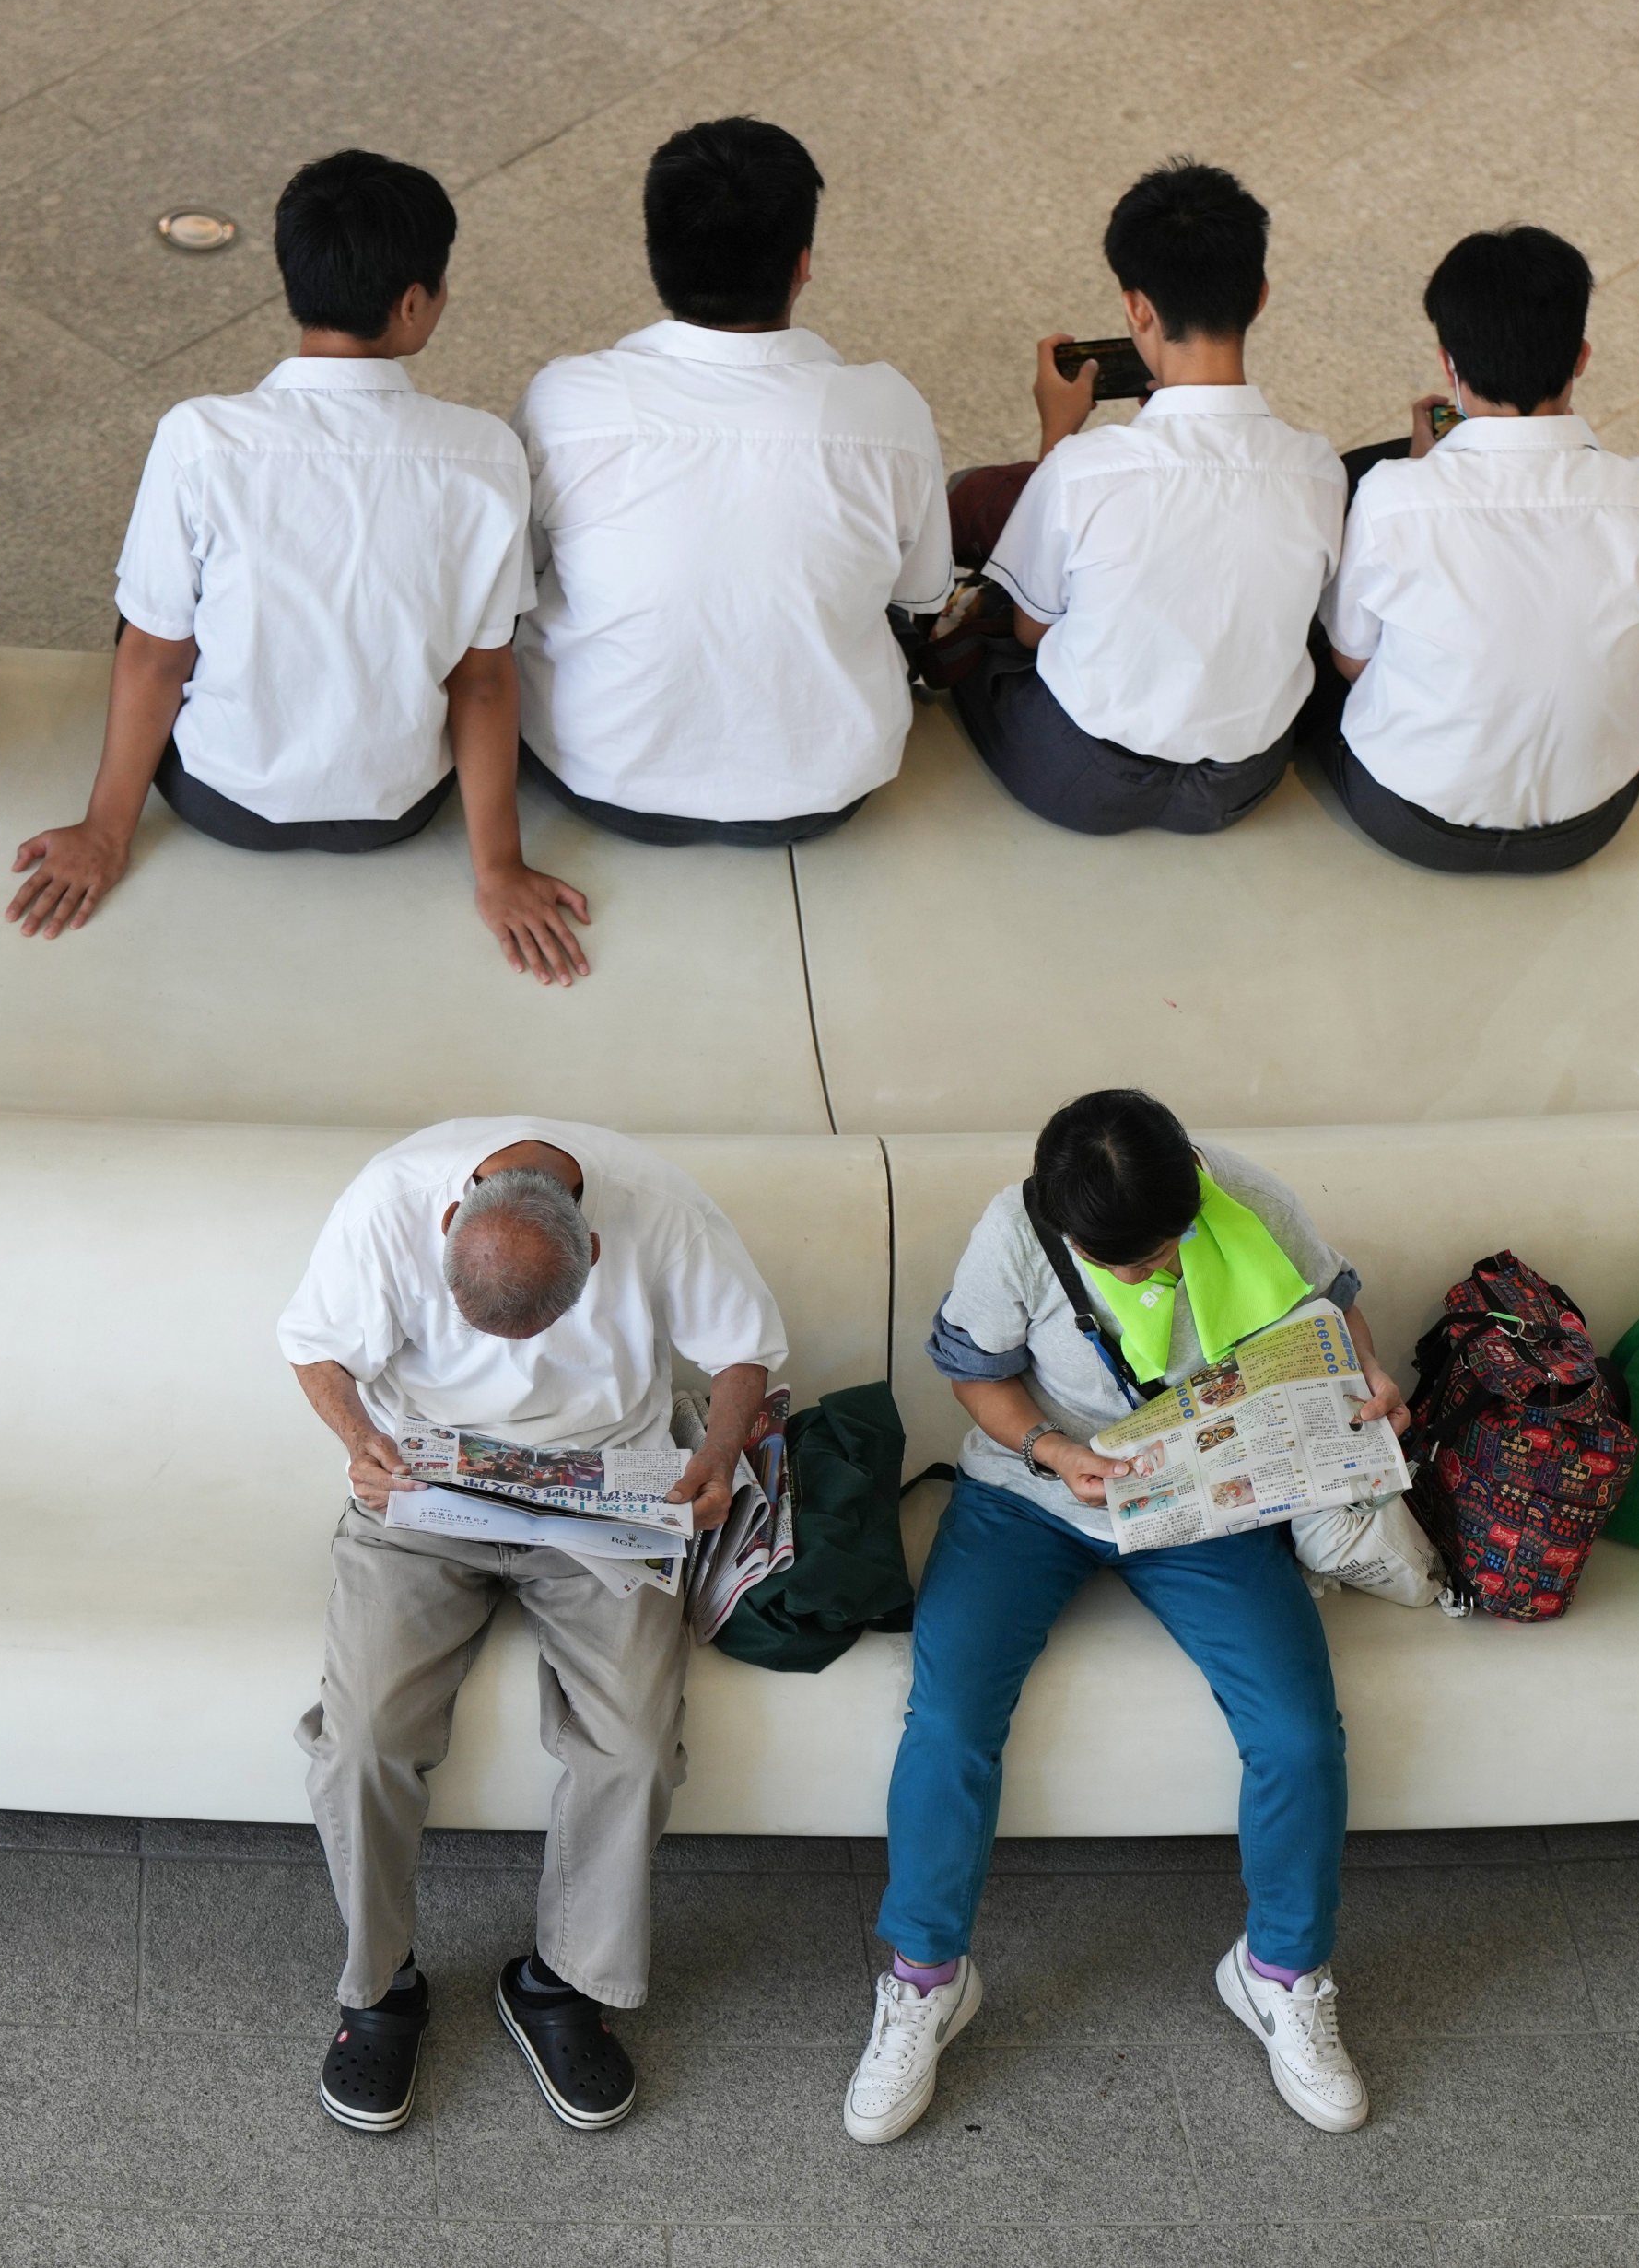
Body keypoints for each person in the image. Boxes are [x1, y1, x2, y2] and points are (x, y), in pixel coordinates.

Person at [842, 1088, 1403, 2146]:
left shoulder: (1242, 1198)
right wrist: (1055, 1452)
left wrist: (1364, 1378)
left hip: (1207, 1497)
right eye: (1127, 1264)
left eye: (1165, 1248)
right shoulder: (1013, 1234)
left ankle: (1279, 1970)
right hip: (1037, 1494)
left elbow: (1327, 1307)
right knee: (950, 1718)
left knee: (1294, 1731)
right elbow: (975, 1373)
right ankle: (924, 1980)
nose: (1155, 1273)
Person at [279, 1116, 788, 2135]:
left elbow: (744, 1356)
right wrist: (363, 1440)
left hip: (610, 1479)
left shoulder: (664, 1206)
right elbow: (316, 1350)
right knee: (365, 1739)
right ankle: (379, 1987)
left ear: (592, 1254)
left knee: (636, 1749)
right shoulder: (386, 1201)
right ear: (448, 1232)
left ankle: (559, 1983)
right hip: (427, 1478)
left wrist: (720, 1457)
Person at [9, 153, 591, 980]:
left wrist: (104, 834)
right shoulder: (485, 454)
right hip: (396, 810)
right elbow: (484, 679)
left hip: (221, 800)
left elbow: (155, 654)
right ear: (415, 303)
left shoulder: (201, 436)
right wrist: (499, 870)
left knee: (150, 611)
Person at [509, 118, 949, 848]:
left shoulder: (565, 399)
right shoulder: (888, 411)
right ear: (802, 264)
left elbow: (518, 574)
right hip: (825, 787)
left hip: (594, 771)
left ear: (655, 258)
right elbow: (921, 595)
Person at [939, 161, 1345, 835]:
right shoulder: (1319, 471)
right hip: (1241, 781)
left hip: (1078, 779)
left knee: (991, 632)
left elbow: (1035, 630)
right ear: (1261, 295)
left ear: (1138, 308)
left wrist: (1057, 435)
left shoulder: (1083, 469)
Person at [1314, 226, 1639, 873]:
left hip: (1410, 818)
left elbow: (1354, 663)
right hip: (1589, 821)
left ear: (1450, 365)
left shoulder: (1392, 497)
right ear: (1581, 355)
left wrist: (1423, 470)